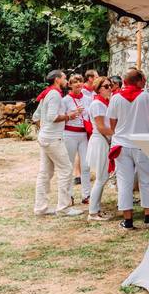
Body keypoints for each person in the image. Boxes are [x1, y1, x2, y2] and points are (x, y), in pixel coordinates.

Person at [107, 69, 149, 230]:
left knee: (124, 182)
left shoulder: (115, 98)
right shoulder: (146, 97)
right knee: (146, 179)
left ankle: (128, 220)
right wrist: (143, 124)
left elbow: (112, 125)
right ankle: (148, 215)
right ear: (138, 81)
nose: (145, 82)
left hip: (121, 144)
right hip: (142, 143)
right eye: (143, 79)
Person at [33, 70, 83, 216]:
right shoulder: (54, 94)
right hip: (53, 138)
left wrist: (44, 130)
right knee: (66, 169)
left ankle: (40, 208)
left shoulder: (47, 93)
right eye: (64, 78)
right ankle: (64, 208)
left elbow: (36, 116)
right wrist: (70, 115)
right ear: (57, 79)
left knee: (45, 173)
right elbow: (52, 117)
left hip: (45, 137)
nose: (66, 80)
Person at [86, 76, 114, 221]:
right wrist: (118, 133)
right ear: (98, 89)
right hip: (100, 140)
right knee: (101, 178)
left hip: (104, 140)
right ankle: (93, 212)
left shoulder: (105, 103)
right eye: (106, 86)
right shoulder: (97, 104)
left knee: (102, 177)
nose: (110, 88)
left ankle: (95, 210)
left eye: (110, 85)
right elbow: (101, 127)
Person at [60, 73, 91, 205]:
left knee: (86, 165)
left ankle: (86, 195)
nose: (78, 83)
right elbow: (61, 116)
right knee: (70, 164)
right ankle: (69, 195)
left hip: (84, 134)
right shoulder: (65, 100)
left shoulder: (88, 99)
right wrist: (71, 114)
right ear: (70, 85)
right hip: (70, 134)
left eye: (80, 81)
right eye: (75, 82)